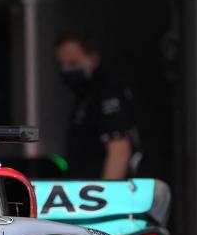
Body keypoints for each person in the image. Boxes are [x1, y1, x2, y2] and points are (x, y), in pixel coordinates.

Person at [54, 30, 142, 180]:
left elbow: (119, 151)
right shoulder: (84, 95)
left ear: (93, 59)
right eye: (62, 64)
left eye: (73, 63)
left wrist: (107, 199)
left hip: (98, 196)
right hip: (81, 190)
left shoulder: (109, 90)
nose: (66, 70)